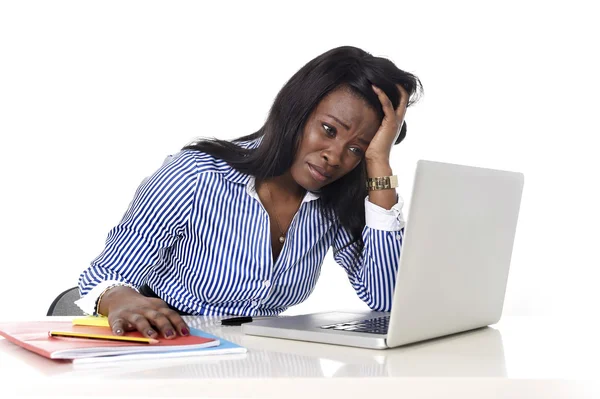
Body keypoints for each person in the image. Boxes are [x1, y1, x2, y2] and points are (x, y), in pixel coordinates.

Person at [75, 45, 423, 340]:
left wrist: (379, 165)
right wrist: (119, 298)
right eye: (329, 129)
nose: (334, 156)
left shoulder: (334, 200)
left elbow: (388, 298)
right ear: (297, 112)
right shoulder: (197, 175)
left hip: (270, 357)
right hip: (175, 347)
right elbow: (107, 274)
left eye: (356, 149)